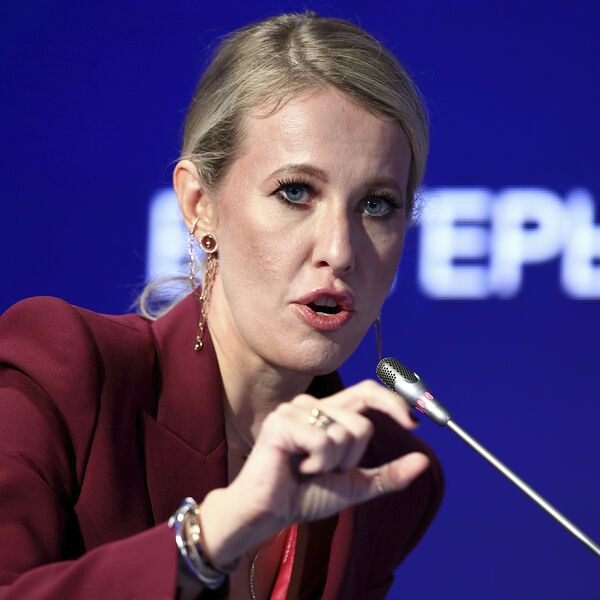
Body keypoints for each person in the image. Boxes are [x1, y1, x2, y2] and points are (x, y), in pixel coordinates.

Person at [0, 11, 443, 600]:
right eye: (295, 192)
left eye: (377, 204)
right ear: (198, 204)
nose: (340, 252)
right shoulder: (64, 374)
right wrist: (211, 536)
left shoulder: (385, 474)